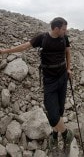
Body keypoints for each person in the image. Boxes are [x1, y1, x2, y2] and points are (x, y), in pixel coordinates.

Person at [0, 17, 74, 152]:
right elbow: (24, 46)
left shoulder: (65, 38)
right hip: (49, 81)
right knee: (52, 115)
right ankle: (66, 134)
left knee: (59, 111)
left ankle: (55, 136)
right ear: (56, 29)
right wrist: (5, 51)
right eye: (64, 29)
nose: (66, 31)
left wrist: (69, 68)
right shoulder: (42, 38)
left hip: (62, 78)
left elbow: (68, 52)